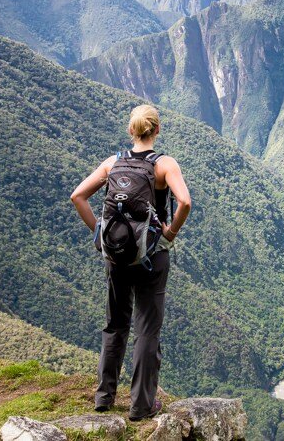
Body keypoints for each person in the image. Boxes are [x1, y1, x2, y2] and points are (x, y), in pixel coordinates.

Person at [70, 104, 192, 420]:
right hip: (152, 256)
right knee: (147, 330)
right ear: (157, 130)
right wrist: (170, 233)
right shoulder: (164, 165)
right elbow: (185, 202)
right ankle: (141, 405)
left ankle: (104, 397)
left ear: (131, 131)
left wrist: (100, 233)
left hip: (117, 256)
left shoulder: (113, 163)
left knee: (115, 325)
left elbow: (78, 197)